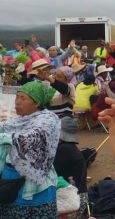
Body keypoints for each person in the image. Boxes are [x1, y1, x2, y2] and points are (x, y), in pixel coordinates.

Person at [0, 82, 60, 217]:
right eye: (17, 97)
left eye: (23, 98)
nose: (17, 102)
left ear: (37, 103)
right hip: (9, 184)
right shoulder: (17, 121)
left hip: (36, 187)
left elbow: (34, 138)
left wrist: (7, 138)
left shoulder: (48, 120)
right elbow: (3, 127)